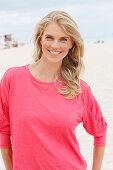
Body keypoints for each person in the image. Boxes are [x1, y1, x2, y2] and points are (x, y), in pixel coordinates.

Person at [0, 10, 107, 170]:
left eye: (63, 39)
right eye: (49, 37)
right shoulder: (12, 78)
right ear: (40, 39)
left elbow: (100, 131)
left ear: (72, 44)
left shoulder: (80, 89)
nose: (55, 45)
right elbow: (3, 129)